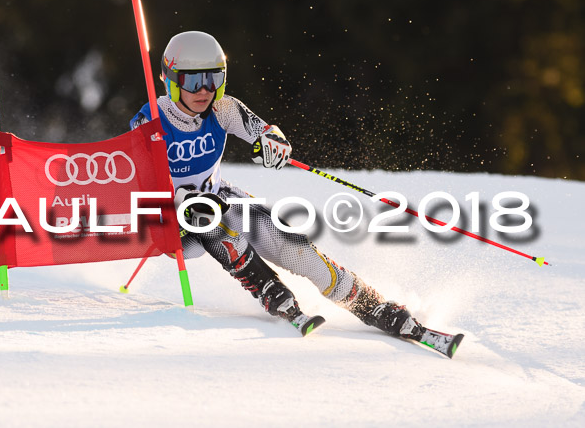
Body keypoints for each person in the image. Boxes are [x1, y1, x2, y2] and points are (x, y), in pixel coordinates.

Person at [130, 31, 425, 339]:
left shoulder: (222, 109)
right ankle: (270, 290)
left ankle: (373, 306)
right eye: (193, 82)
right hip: (170, 220)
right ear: (171, 81)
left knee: (295, 247)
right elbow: (141, 184)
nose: (205, 90)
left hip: (217, 196)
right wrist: (179, 197)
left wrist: (273, 140)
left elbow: (262, 130)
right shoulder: (150, 121)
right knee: (206, 216)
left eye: (214, 79)